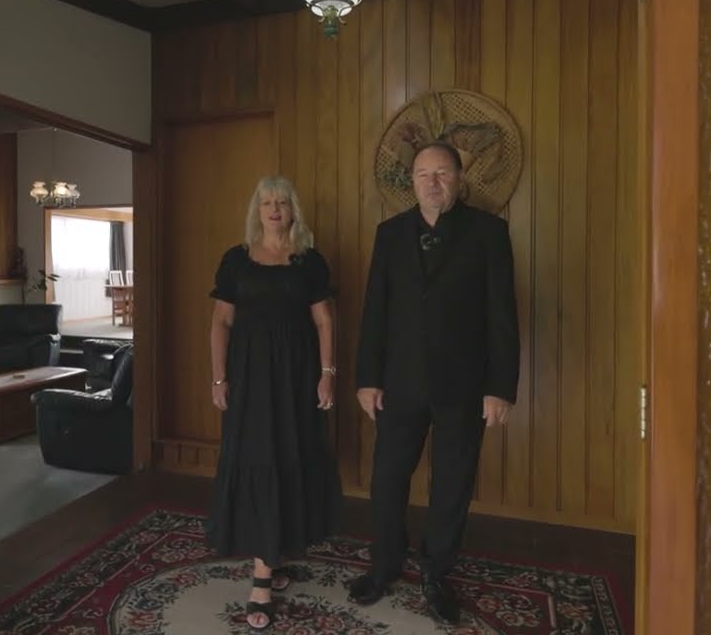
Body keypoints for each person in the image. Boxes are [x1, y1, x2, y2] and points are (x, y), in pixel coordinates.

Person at [347, 141, 520, 624]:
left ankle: (436, 573)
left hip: (464, 386)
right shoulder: (389, 234)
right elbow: (375, 311)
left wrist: (500, 387)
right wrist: (367, 378)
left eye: (442, 172)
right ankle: (384, 564)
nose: (433, 182)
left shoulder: (489, 232)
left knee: (452, 484)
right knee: (386, 480)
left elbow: (502, 315)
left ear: (459, 178)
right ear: (413, 181)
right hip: (398, 383)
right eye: (424, 173)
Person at [206, 175, 343, 631]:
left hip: (297, 380)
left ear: (292, 210)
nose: (275, 208)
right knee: (258, 460)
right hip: (249, 381)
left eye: (282, 201)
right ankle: (263, 576)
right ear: (257, 210)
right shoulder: (236, 260)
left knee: (288, 459)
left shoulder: (309, 261)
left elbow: (324, 321)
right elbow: (221, 323)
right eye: (266, 202)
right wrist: (219, 377)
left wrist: (327, 374)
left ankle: (271, 555)